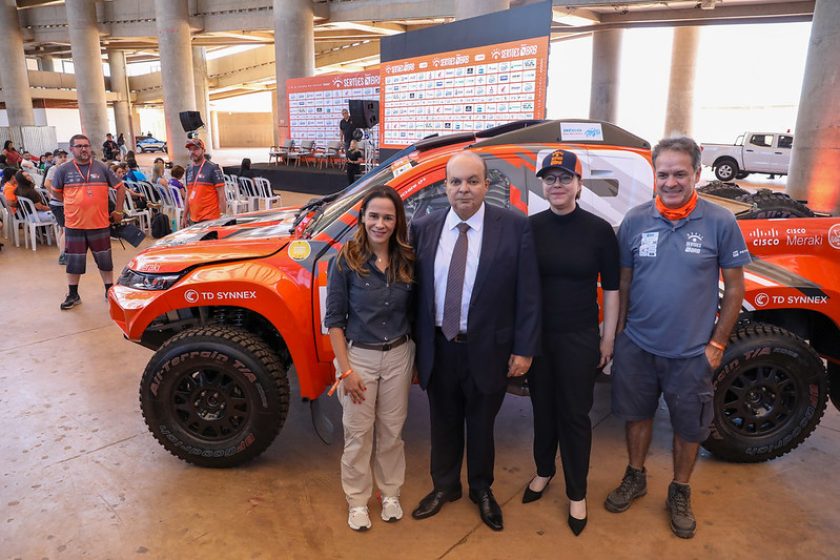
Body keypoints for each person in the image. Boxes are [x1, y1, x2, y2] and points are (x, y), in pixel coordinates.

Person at [604, 137, 750, 539]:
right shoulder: (634, 221)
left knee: (689, 427)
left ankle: (679, 489)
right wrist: (619, 337)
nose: (670, 182)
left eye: (679, 173)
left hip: (690, 353)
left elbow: (735, 289)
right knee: (636, 415)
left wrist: (717, 343)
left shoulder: (720, 222)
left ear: (697, 175)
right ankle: (636, 475)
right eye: (663, 173)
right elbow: (624, 282)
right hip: (638, 345)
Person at [410, 151, 541, 531]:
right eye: (456, 181)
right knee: (442, 422)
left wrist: (524, 348)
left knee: (482, 426)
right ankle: (444, 487)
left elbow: (528, 294)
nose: (463, 189)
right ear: (445, 186)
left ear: (486, 184)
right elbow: (414, 294)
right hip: (439, 345)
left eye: (472, 181)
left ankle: (482, 489)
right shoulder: (424, 228)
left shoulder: (515, 227)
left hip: (490, 350)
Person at [522, 149, 620, 536]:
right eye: (550, 178)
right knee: (542, 409)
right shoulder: (530, 227)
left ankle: (576, 492)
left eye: (565, 178)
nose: (557, 185)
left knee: (575, 416)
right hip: (538, 337)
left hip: (580, 337)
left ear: (579, 184)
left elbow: (611, 289)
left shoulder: (599, 231)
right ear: (542, 184)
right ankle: (544, 471)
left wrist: (607, 337)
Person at [324, 186, 416, 531]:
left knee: (392, 432)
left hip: (398, 356)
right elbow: (334, 321)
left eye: (388, 217)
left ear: (397, 221)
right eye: (374, 216)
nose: (380, 223)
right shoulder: (345, 260)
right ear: (362, 218)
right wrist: (346, 371)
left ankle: (389, 493)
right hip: (358, 358)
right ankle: (357, 499)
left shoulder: (408, 257)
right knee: (358, 434)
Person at [51, 133, 126, 310]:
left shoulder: (102, 168)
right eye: (79, 146)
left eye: (86, 145)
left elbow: (120, 188)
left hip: (99, 224)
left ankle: (109, 291)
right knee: (73, 262)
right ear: (71, 149)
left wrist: (118, 210)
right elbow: (55, 192)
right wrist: (74, 202)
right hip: (74, 225)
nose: (84, 149)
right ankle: (73, 294)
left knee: (105, 261)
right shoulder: (63, 170)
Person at [182, 138, 225, 228]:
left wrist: (223, 217)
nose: (192, 152)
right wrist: (184, 215)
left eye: (196, 149)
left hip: (211, 219)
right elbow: (188, 195)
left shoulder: (213, 168)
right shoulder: (188, 170)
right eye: (190, 149)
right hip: (193, 219)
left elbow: (221, 195)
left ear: (203, 150)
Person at [45, 150, 69, 264]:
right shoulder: (54, 169)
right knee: (66, 229)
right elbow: (47, 184)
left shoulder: (64, 169)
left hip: (62, 203)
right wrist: (57, 197)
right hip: (58, 204)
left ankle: (63, 251)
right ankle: (63, 255)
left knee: (63, 229)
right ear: (55, 158)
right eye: (60, 157)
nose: (63, 158)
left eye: (65, 156)